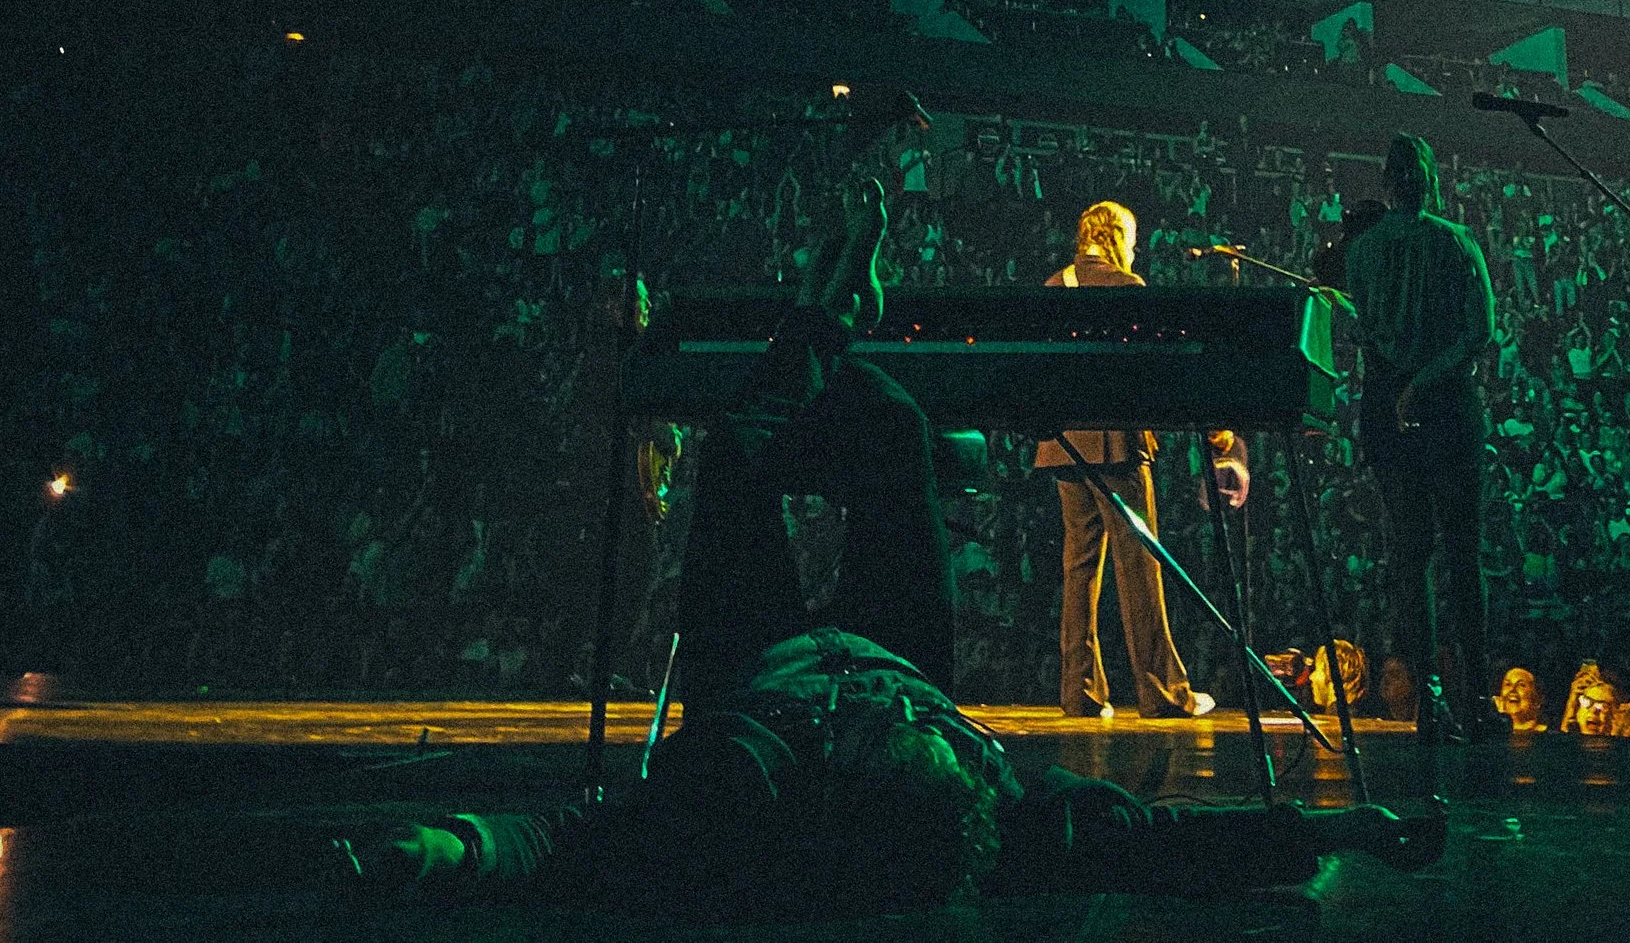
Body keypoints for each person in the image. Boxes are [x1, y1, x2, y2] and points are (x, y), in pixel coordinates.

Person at [333, 180, 1436, 915]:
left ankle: (822, 325)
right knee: (901, 439)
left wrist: (450, 849)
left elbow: (583, 844)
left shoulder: (742, 793)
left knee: (737, 457)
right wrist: (1342, 826)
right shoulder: (994, 812)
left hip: (754, 684)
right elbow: (1160, 843)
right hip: (899, 656)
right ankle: (835, 330)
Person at [1033, 200, 1242, 720]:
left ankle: (1079, 692)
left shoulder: (1054, 285)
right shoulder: (1129, 288)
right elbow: (1154, 374)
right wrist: (1214, 429)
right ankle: (1163, 692)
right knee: (1139, 567)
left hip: (1064, 445)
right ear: (1111, 235)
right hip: (1116, 443)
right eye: (1131, 236)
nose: (1135, 247)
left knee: (1079, 568)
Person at [1342, 136, 1497, 737]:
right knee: (1462, 553)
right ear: (1431, 180)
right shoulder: (1457, 242)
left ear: (1386, 182)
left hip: (1388, 405)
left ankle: (1428, 697)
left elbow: (1370, 331)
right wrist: (1429, 379)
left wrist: (1402, 382)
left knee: (1411, 555)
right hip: (1449, 407)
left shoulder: (1364, 252)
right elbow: (1479, 333)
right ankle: (1477, 698)